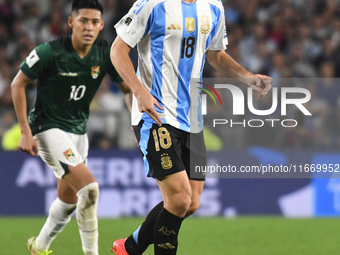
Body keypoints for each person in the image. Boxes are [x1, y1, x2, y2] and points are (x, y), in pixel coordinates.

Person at [110, 0, 272, 254]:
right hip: (156, 114)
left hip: (191, 118)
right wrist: (139, 92)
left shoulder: (213, 6)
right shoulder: (151, 4)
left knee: (191, 203)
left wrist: (247, 77)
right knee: (179, 199)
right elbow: (117, 50)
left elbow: (216, 55)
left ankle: (130, 247)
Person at [11, 1, 132, 254]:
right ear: (71, 23)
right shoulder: (49, 52)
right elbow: (17, 84)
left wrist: (135, 119)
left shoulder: (104, 52)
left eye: (95, 22)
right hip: (47, 128)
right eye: (83, 21)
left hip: (78, 132)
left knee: (68, 200)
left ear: (101, 25)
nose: (89, 27)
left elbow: (128, 90)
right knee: (89, 190)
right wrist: (25, 131)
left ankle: (39, 246)